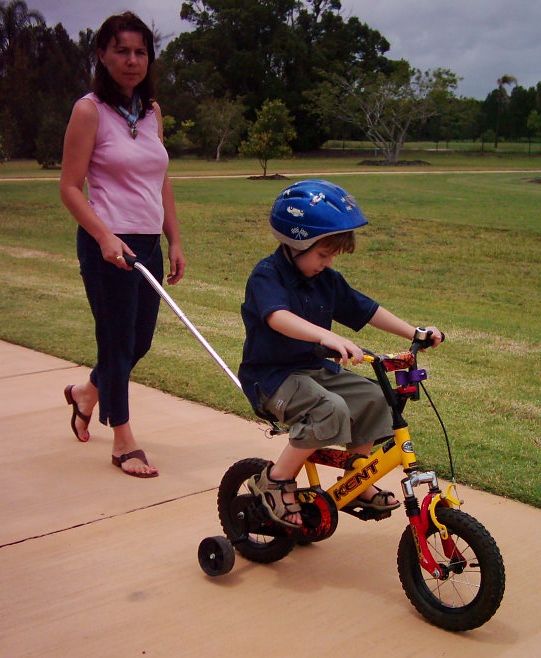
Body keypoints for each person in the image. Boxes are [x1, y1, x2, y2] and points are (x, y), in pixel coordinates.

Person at [238, 180, 443, 527]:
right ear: (297, 241)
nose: (328, 262)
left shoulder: (327, 280)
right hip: (272, 379)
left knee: (377, 397)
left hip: (312, 372)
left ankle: (357, 476)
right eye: (323, 254)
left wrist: (414, 332)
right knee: (329, 409)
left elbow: (366, 310)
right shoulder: (267, 274)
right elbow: (278, 318)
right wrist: (327, 336)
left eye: (332, 255)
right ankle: (274, 480)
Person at [60, 12, 185, 478]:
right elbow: (70, 186)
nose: (133, 61)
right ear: (102, 55)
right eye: (122, 51)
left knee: (141, 340)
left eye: (140, 52)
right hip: (106, 244)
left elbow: (161, 179)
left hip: (147, 243)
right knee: (116, 342)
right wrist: (104, 235)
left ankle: (86, 393)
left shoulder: (152, 112)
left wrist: (174, 238)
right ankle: (123, 441)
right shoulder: (89, 110)